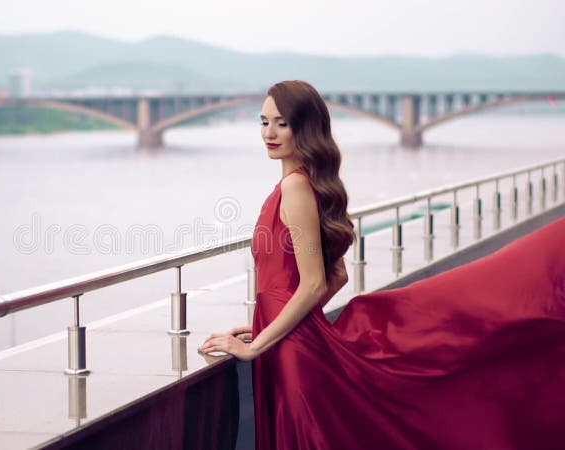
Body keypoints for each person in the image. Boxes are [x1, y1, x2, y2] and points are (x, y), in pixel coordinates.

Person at [200, 80, 565, 449]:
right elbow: (335, 276)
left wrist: (256, 343)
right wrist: (268, 324)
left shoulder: (295, 189)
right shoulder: (301, 186)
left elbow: (312, 285)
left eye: (282, 123)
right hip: (287, 344)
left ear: (305, 127)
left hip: (294, 358)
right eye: (263, 122)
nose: (269, 133)